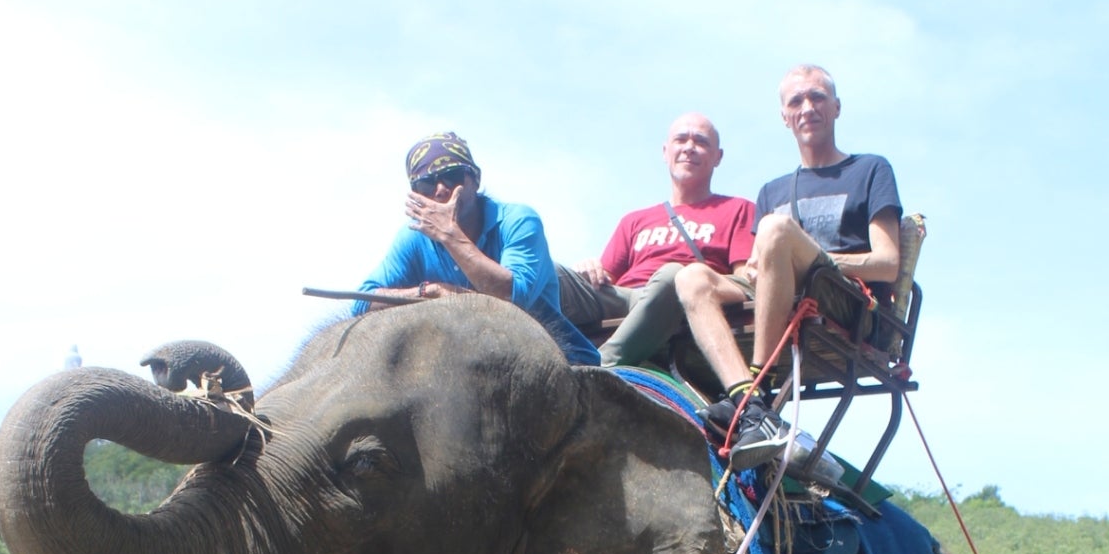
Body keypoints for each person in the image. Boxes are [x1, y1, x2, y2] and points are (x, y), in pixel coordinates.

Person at [675, 66, 903, 466]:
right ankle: (745, 398)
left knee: (776, 230)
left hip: (837, 295)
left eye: (817, 97)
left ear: (836, 107)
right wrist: (755, 268)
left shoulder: (870, 170)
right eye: (796, 101)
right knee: (691, 278)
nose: (807, 108)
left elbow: (887, 263)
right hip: (776, 286)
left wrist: (804, 261)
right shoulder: (772, 190)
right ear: (784, 116)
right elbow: (754, 267)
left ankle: (758, 389)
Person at [354, 134, 599, 366]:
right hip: (462, 361)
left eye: (452, 175)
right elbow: (361, 302)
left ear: (476, 179)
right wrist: (428, 292)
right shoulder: (413, 238)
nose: (440, 190)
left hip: (552, 356)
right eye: (426, 183)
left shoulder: (519, 220)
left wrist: (450, 234)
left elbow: (512, 297)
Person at [557, 114, 755, 368]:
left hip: (678, 300)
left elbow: (743, 284)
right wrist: (589, 269)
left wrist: (694, 282)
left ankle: (601, 364)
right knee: (550, 273)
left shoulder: (738, 209)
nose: (689, 148)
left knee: (673, 274)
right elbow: (606, 279)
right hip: (625, 297)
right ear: (665, 151)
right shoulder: (634, 220)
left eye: (701, 142)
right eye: (681, 139)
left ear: (718, 156)